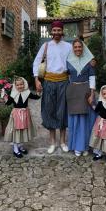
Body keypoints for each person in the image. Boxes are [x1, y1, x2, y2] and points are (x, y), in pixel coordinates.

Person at [33, 21, 72, 154]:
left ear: (62, 31)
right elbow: (37, 62)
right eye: (54, 30)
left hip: (63, 82)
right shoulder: (46, 46)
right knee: (49, 110)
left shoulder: (68, 46)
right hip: (48, 82)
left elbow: (75, 62)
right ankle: (52, 142)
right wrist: (37, 80)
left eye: (58, 30)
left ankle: (62, 141)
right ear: (51, 32)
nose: (56, 33)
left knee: (62, 111)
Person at [66, 38, 97, 156]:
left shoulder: (89, 62)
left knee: (85, 121)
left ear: (83, 48)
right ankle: (76, 146)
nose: (78, 49)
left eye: (80, 47)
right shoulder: (68, 61)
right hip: (73, 92)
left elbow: (92, 78)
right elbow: (65, 75)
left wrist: (92, 95)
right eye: (75, 47)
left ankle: (85, 146)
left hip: (86, 92)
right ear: (73, 49)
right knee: (75, 120)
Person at [2, 77, 40, 158]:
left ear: (24, 84)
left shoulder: (27, 93)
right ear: (15, 86)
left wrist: (39, 92)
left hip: (25, 114)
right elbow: (8, 103)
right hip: (16, 115)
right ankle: (15, 149)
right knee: (17, 131)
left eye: (21, 84)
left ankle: (20, 146)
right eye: (18, 85)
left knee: (23, 130)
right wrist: (4, 96)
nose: (20, 86)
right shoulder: (13, 94)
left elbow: (35, 97)